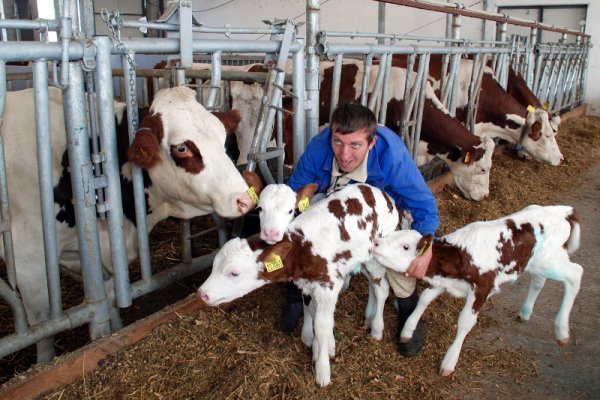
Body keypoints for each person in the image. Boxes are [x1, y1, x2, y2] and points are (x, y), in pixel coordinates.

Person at [281, 101, 439, 357]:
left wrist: (425, 249)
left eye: (355, 145)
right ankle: (295, 292)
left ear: (372, 143)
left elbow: (424, 207)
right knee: (305, 217)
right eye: (338, 142)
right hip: (333, 207)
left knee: (404, 243)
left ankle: (407, 304)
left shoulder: (391, 156)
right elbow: (294, 195)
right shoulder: (319, 148)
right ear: (331, 135)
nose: (344, 155)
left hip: (379, 215)